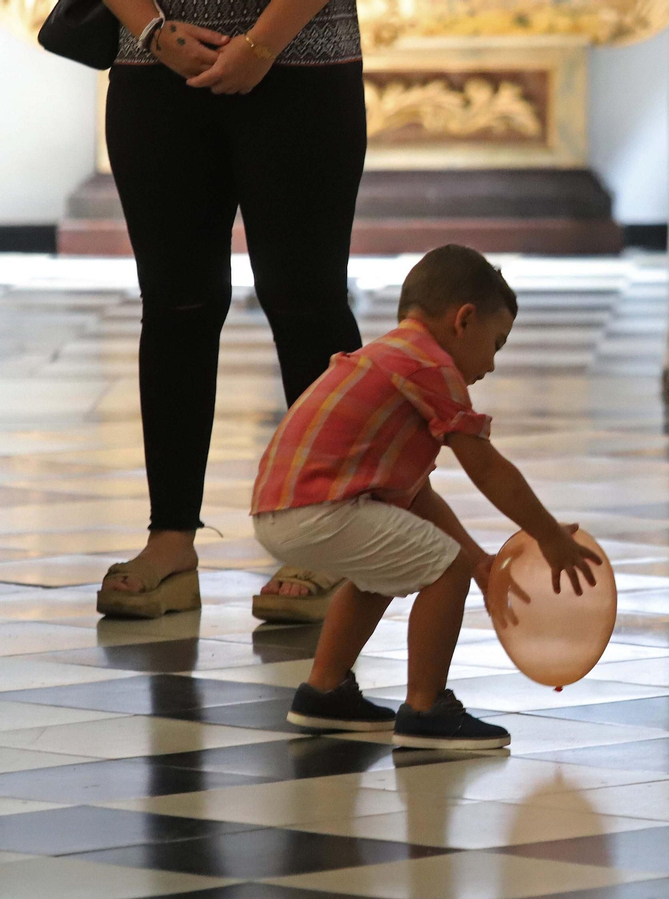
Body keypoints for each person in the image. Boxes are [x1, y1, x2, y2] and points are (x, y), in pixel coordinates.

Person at [251, 245, 603, 749]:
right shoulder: (429, 366)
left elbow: (418, 498)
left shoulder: (390, 357)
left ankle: (324, 692)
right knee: (445, 568)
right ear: (464, 320)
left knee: (383, 573)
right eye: (496, 344)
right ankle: (425, 707)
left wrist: (481, 562)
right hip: (318, 508)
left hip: (282, 508)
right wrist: (548, 536)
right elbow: (486, 467)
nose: (492, 364)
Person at [94, 0, 365, 620]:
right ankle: (170, 541)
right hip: (154, 66)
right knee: (175, 304)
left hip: (302, 60)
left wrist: (263, 42)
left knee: (306, 301)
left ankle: (331, 539)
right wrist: (152, 32)